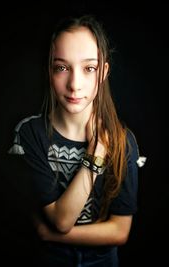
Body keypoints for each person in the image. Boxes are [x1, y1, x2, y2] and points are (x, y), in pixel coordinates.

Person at [8, 14, 146, 267]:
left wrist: (50, 234)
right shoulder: (30, 134)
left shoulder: (123, 142)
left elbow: (119, 230)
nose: (75, 84)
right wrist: (96, 155)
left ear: (103, 71)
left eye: (88, 68)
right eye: (62, 67)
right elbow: (62, 219)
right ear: (49, 70)